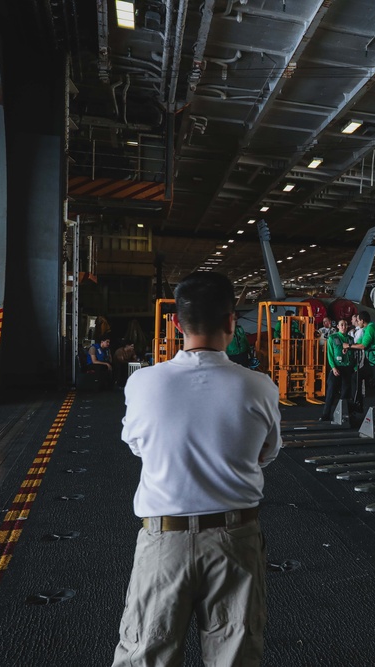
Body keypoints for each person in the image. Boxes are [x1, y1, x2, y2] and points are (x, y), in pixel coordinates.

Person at [112, 271, 280, 667]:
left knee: (146, 654)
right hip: (235, 539)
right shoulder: (259, 386)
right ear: (231, 321)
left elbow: (138, 447)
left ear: (176, 323)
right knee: (235, 656)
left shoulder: (143, 383)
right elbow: (266, 455)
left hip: (162, 541)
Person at [346, 311, 375, 420]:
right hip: (372, 361)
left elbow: (363, 345)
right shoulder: (366, 329)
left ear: (362, 321)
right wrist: (348, 347)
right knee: (356, 376)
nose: (357, 322)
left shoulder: (370, 329)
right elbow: (359, 343)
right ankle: (358, 404)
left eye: (358, 320)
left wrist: (349, 346)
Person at [322, 319, 356, 421]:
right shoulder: (332, 338)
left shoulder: (350, 339)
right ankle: (325, 414)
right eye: (341, 325)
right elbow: (330, 354)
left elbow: (353, 354)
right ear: (337, 326)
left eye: (345, 325)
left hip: (348, 368)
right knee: (331, 390)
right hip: (336, 368)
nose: (344, 327)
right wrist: (333, 367)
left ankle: (342, 414)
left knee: (346, 392)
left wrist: (354, 367)